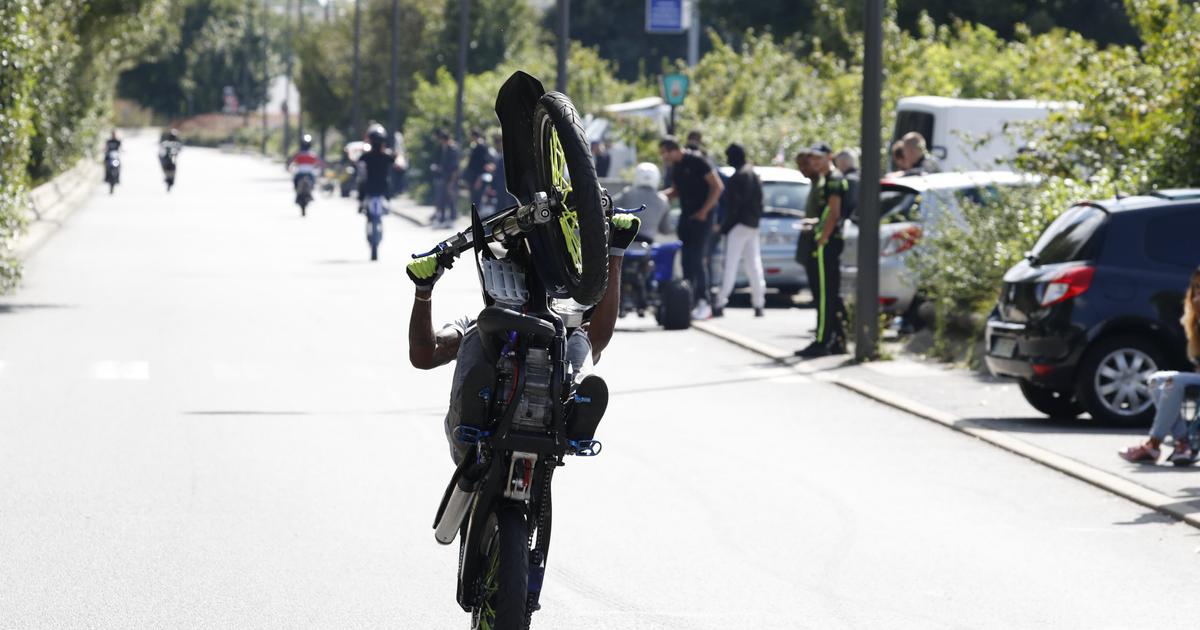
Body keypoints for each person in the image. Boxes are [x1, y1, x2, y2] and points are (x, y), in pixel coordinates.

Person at [406, 214, 642, 464]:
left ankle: (578, 407)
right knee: (475, 330)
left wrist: (616, 251)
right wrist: (424, 290)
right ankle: (474, 407)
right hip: (471, 445)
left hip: (553, 430)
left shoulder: (564, 331)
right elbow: (425, 355)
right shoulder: (475, 327)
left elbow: (599, 336)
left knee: (579, 340)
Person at [1118, 268, 1200, 465]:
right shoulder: (1194, 319)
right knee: (1156, 380)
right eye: (1196, 288)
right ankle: (1183, 442)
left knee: (1172, 381)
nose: (1198, 294)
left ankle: (1153, 445)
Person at [660, 136, 724, 320]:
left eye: (664, 152)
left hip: (703, 217)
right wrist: (657, 197)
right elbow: (676, 190)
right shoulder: (676, 167)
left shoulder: (698, 161)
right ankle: (691, 301)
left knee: (697, 259)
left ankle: (705, 302)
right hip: (687, 216)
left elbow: (717, 187)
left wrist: (704, 211)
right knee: (686, 260)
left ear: (673, 150)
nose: (663, 157)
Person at [795, 143, 848, 358]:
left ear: (829, 157)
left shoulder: (834, 180)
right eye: (813, 159)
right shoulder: (826, 179)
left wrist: (822, 238)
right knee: (825, 294)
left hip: (827, 244)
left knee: (825, 295)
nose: (815, 163)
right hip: (823, 241)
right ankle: (837, 339)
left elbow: (834, 213)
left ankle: (822, 340)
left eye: (819, 158)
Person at [715, 143, 766, 317]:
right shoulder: (753, 174)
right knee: (754, 265)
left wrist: (724, 227)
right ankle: (759, 303)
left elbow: (733, 207)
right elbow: (760, 203)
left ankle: (720, 302)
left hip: (737, 226)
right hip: (752, 225)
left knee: (730, 265)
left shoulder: (738, 177)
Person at [613, 162, 672, 241]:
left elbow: (609, 206)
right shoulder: (663, 200)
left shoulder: (627, 193)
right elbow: (665, 229)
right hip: (648, 244)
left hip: (625, 241)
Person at [429, 129, 461, 228]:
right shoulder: (443, 148)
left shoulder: (453, 149)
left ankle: (452, 219)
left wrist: (451, 182)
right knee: (442, 198)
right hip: (443, 177)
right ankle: (442, 218)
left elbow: (455, 168)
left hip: (451, 178)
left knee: (451, 198)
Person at [357, 124, 395, 203]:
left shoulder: (366, 156)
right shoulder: (386, 156)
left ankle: (387, 201)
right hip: (377, 186)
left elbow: (358, 163)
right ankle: (362, 203)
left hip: (375, 186)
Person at [463, 129, 493, 211]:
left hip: (478, 177)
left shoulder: (481, 146)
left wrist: (479, 179)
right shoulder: (476, 145)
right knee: (474, 198)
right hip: (474, 176)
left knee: (477, 198)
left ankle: (478, 218)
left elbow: (482, 164)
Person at [834, 149, 860, 221]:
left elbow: (847, 208)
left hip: (851, 226)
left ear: (843, 163)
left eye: (837, 163)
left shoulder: (847, 180)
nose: (837, 167)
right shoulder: (865, 178)